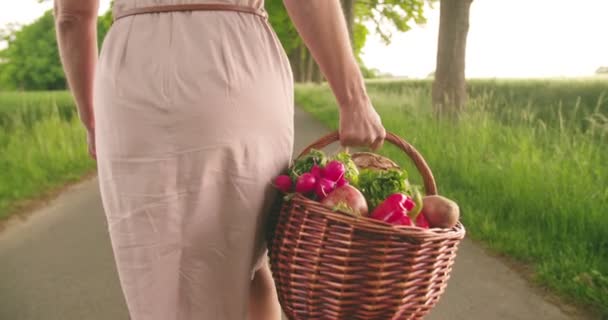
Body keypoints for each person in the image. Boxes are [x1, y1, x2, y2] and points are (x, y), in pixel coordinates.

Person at [54, 0, 386, 319]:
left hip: (132, 75)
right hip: (236, 60)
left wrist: (92, 117)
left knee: (153, 263)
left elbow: (72, 16)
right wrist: (352, 99)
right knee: (248, 262)